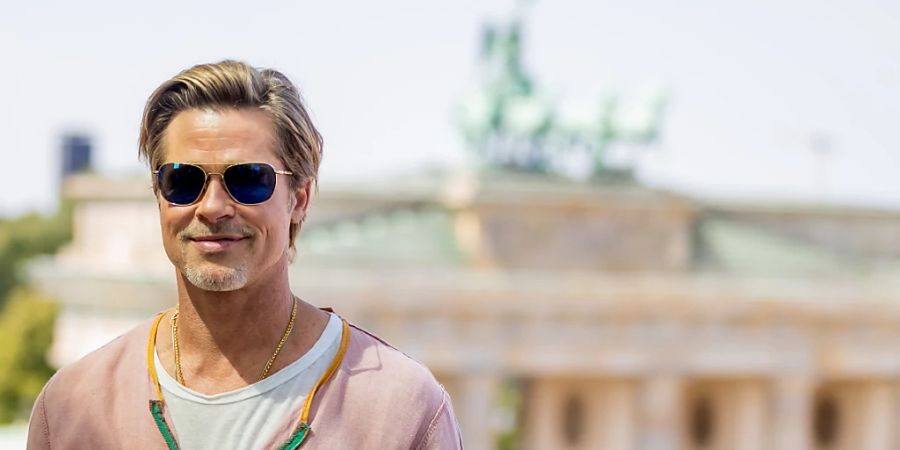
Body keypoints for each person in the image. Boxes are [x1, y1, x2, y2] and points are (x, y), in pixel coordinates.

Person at [27, 60, 463, 449]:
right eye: (182, 180)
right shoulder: (72, 407)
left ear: (300, 199)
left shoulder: (402, 409)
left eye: (249, 179)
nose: (213, 206)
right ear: (159, 198)